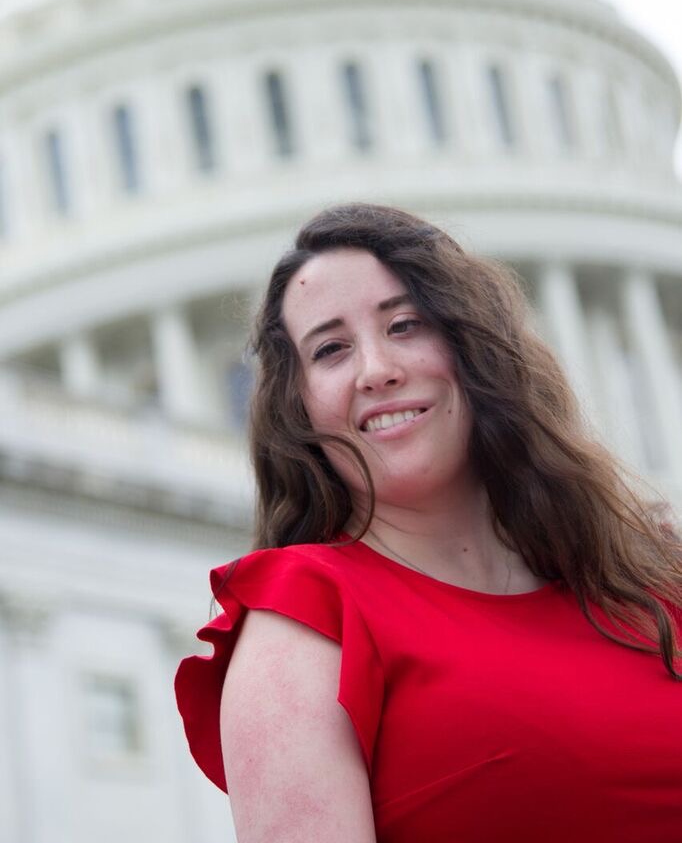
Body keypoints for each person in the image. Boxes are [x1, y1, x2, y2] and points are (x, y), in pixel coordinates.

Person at [174, 202, 682, 843]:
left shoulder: (649, 590)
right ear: (298, 408)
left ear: (474, 347)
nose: (377, 370)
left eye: (406, 325)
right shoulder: (307, 619)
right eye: (331, 349)